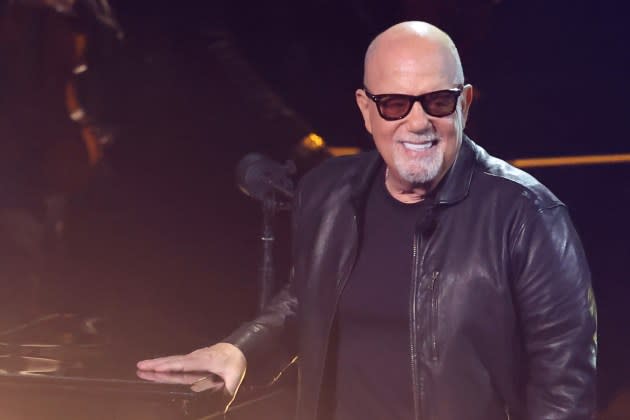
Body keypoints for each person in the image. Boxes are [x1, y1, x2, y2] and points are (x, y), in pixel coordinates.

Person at [137, 21, 597, 420]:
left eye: (437, 101)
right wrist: (239, 349)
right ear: (365, 109)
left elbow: (564, 391)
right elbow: (303, 301)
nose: (417, 122)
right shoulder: (329, 194)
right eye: (395, 104)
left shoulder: (528, 217)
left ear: (465, 103)